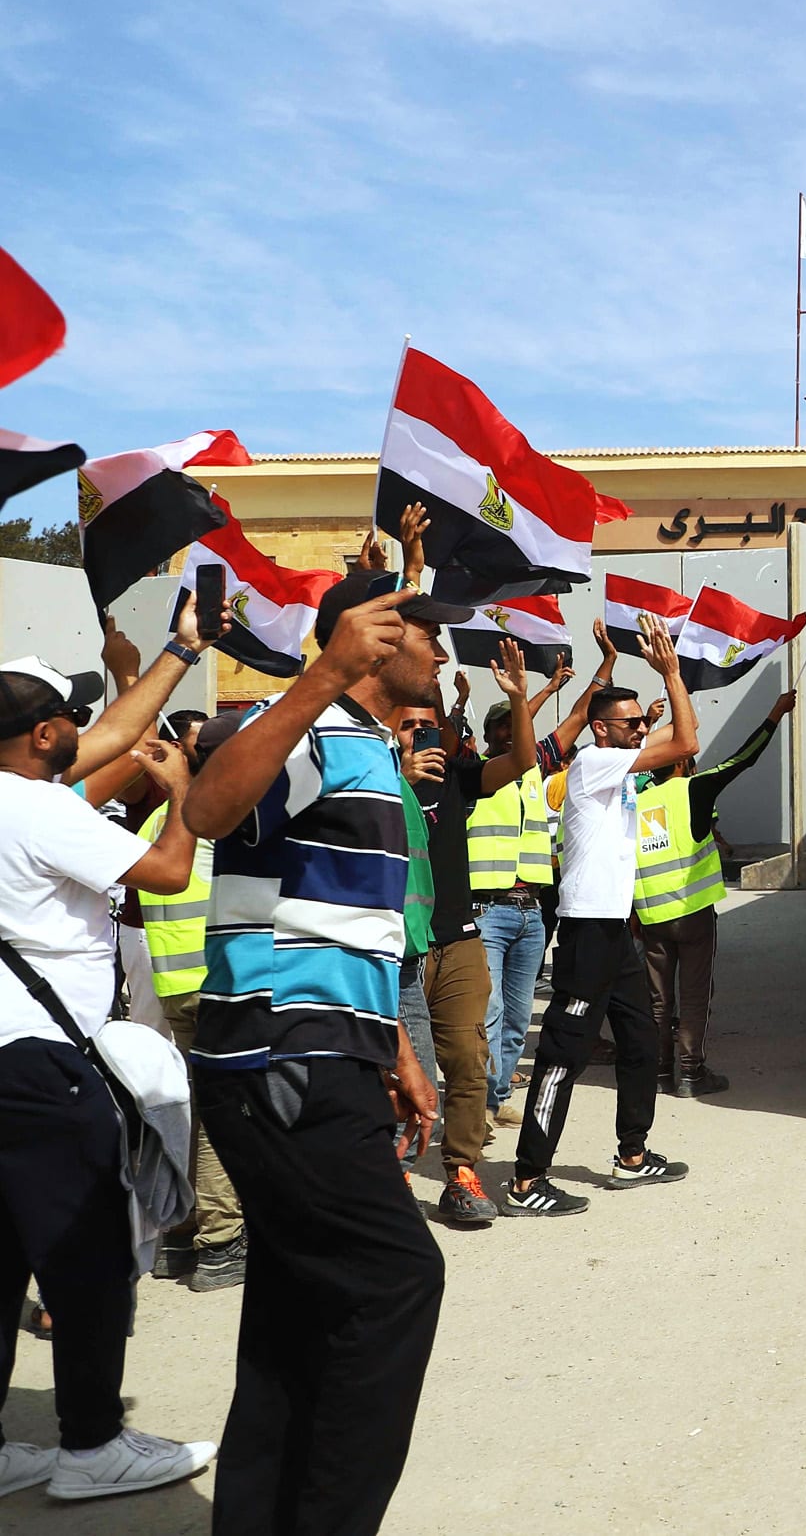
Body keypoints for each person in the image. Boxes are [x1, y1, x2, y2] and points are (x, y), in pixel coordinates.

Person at [183, 570, 465, 1533]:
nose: (444, 653)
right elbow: (207, 811)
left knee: (296, 1308)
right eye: (430, 635)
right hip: (281, 1056)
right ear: (377, 640)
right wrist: (317, 678)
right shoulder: (305, 725)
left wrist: (394, 1046)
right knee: (396, 1282)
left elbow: (348, 930)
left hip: (322, 1054)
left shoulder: (373, 751)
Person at [0, 654, 221, 1504]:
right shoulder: (43, 807)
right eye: (67, 719)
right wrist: (184, 797)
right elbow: (166, 871)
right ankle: (92, 1442)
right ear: (46, 732)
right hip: (46, 1067)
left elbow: (119, 732)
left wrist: (179, 650)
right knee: (89, 1255)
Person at [506, 613, 698, 1217]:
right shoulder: (591, 764)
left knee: (641, 1040)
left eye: (644, 721)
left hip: (617, 929)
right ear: (601, 730)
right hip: (588, 930)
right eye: (633, 722)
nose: (644, 728)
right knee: (565, 1051)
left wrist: (659, 692)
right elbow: (686, 743)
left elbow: (677, 735)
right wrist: (669, 674)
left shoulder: (617, 763)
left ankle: (632, 1155)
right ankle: (527, 1178)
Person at [396, 636, 541, 1227]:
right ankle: (398, 1175)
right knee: (408, 1071)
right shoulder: (371, 777)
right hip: (400, 949)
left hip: (458, 940)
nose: (420, 737)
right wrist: (397, 772)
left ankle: (460, 1171)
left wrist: (521, 698)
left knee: (467, 1060)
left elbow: (523, 762)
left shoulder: (459, 778)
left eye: (427, 728)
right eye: (408, 727)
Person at [131, 710, 246, 1291]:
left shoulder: (160, 818)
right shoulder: (213, 815)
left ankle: (179, 1233)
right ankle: (221, 1241)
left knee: (196, 1108)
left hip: (177, 984)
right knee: (221, 1117)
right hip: (216, 984)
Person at [637, 689, 793, 1098]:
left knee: (657, 1000)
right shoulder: (695, 789)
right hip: (692, 915)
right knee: (693, 994)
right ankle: (690, 1074)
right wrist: (774, 714)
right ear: (684, 760)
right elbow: (743, 759)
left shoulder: (636, 800)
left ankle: (657, 1073)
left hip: (651, 917)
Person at [469, 680, 560, 1129]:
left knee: (518, 1016)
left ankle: (498, 1094)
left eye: (516, 726)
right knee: (488, 1013)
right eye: (502, 726)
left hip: (531, 911)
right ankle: (480, 1104)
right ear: (489, 734)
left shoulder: (532, 776)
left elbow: (573, 723)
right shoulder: (476, 773)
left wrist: (597, 672)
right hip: (488, 910)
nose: (511, 733)